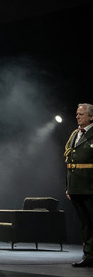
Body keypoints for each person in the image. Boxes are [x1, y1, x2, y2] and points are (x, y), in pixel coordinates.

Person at [66, 104, 93, 267]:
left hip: (90, 186)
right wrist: (68, 186)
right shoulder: (75, 134)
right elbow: (69, 162)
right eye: (77, 114)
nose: (77, 116)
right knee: (85, 224)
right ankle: (89, 256)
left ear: (91, 117)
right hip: (76, 186)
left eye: (81, 114)